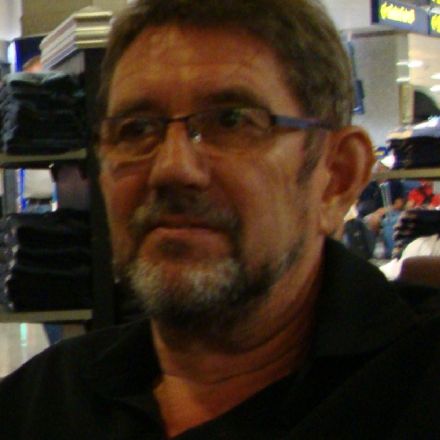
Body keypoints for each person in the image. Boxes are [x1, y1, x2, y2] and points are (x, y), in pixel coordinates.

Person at [1, 0, 439, 438]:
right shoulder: (42, 404)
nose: (172, 168)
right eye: (136, 129)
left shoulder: (415, 389)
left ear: (337, 177)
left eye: (231, 121)